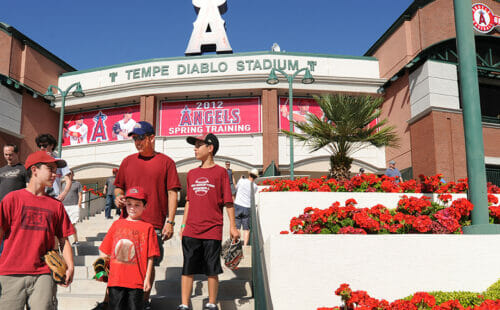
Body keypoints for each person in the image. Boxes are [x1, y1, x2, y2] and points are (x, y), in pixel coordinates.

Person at [109, 121, 180, 310]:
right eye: (134, 138)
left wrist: (171, 221)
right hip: (127, 223)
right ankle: (118, 300)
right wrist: (118, 197)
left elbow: (173, 193)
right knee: (122, 263)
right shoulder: (127, 161)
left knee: (148, 264)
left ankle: (144, 301)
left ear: (151, 138)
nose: (137, 142)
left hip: (154, 223)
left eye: (141, 138)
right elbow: (118, 186)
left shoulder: (166, 162)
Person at [0, 150, 75, 309]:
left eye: (56, 171)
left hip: (44, 274)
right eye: (50, 169)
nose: (55, 175)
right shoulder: (12, 199)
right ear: (34, 170)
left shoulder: (56, 206)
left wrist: (70, 266)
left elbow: (64, 239)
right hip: (10, 273)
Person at [178, 132, 240, 310]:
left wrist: (233, 227)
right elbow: (188, 201)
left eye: (199, 145)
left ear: (210, 148)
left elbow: (228, 202)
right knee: (187, 267)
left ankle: (212, 303)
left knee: (212, 269)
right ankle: (184, 304)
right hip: (191, 230)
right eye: (194, 145)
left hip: (212, 229)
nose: (195, 148)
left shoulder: (221, 173)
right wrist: (183, 225)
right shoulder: (191, 173)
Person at [98, 186, 160, 310]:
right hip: (116, 280)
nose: (132, 207)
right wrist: (101, 273)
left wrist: (147, 278)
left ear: (145, 206)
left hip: (136, 281)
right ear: (125, 204)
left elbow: (150, 257)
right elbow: (104, 251)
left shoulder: (148, 228)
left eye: (137, 205)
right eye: (129, 204)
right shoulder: (117, 224)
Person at [35, 134, 72, 201]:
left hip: (54, 197)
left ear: (52, 145)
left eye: (45, 145)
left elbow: (68, 180)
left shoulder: (60, 161)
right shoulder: (37, 161)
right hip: (39, 196)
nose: (42, 148)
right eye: (40, 146)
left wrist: (63, 194)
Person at [234, 168, 259, 246]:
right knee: (246, 229)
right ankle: (245, 246)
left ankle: (236, 244)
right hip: (247, 207)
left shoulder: (241, 181)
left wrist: (241, 179)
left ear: (249, 174)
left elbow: (236, 188)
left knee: (237, 227)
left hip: (238, 205)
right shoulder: (255, 186)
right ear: (256, 177)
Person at [62, 170, 82, 246]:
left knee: (73, 224)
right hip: (64, 206)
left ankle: (76, 240)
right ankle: (65, 241)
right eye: (67, 174)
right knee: (65, 225)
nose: (69, 175)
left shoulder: (77, 184)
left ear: (73, 174)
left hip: (74, 206)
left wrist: (79, 204)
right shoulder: (63, 184)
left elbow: (80, 195)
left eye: (70, 173)